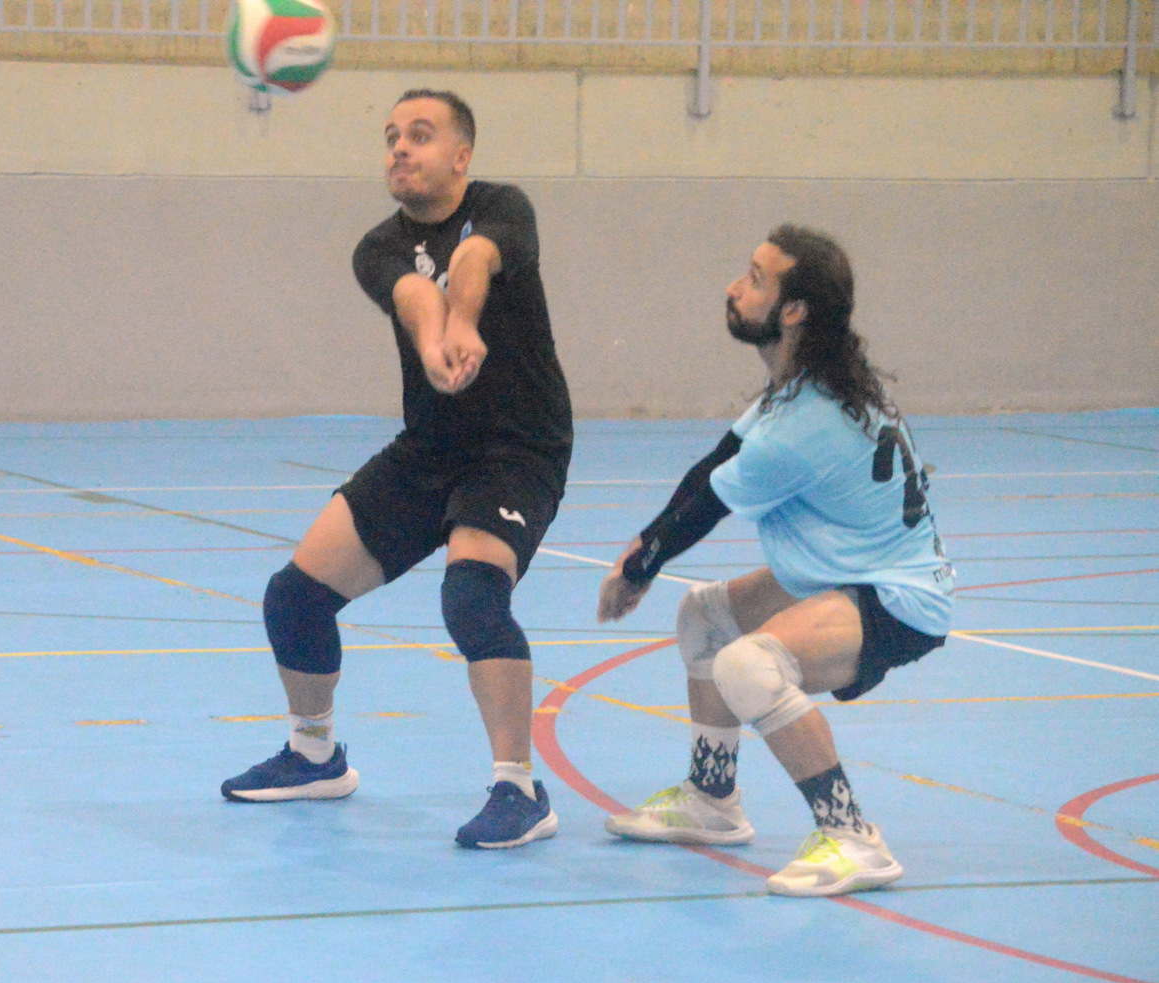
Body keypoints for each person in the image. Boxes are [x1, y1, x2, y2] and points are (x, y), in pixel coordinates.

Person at [221, 89, 573, 849]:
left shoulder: (503, 209)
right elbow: (415, 293)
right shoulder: (375, 247)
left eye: (420, 135)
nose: (400, 150)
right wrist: (433, 344)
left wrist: (468, 324)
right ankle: (314, 755)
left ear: (462, 156)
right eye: (390, 138)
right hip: (430, 448)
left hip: (517, 446)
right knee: (294, 601)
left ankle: (519, 788)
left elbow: (473, 259)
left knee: (473, 598)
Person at [597, 225, 953, 896]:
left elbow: (707, 503)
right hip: (843, 571)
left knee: (748, 663)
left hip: (895, 599)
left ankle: (852, 837)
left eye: (756, 280)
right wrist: (640, 557)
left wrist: (637, 567)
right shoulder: (799, 389)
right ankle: (712, 800)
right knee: (705, 617)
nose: (736, 287)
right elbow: (715, 465)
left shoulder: (805, 422)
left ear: (793, 313)